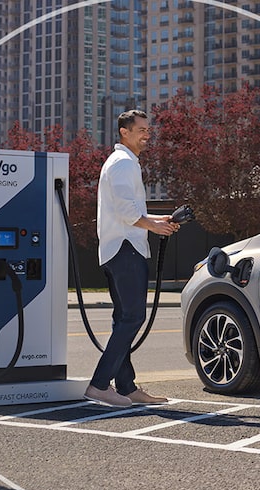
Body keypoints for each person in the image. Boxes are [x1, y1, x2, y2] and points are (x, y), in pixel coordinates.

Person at [84, 110, 179, 407]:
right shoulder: (124, 163)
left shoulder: (121, 162)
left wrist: (154, 218)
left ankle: (125, 386)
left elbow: (125, 210)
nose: (147, 134)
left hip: (116, 249)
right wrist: (153, 225)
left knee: (123, 319)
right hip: (126, 249)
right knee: (133, 316)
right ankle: (100, 384)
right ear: (124, 132)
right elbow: (127, 212)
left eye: (148, 129)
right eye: (141, 129)